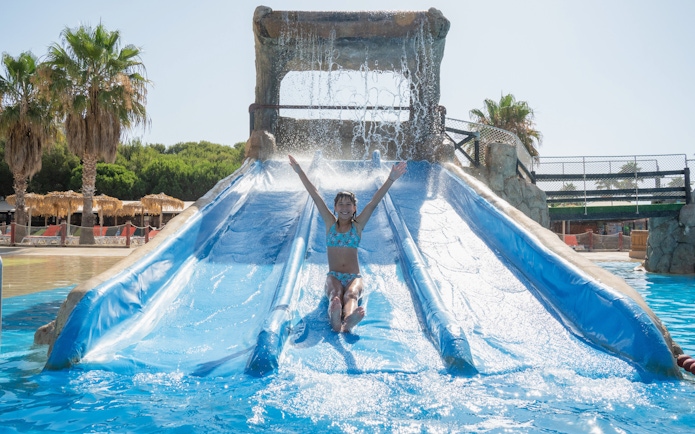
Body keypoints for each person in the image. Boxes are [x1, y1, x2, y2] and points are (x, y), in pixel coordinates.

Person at [288, 155, 407, 333]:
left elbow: (374, 202)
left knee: (351, 295)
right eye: (341, 204)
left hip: (354, 276)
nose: (344, 208)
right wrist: (299, 171)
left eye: (348, 204)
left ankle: (349, 321)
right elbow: (315, 195)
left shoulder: (357, 227)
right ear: (335, 208)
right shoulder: (330, 224)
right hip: (334, 275)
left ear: (354, 208)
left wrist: (390, 179)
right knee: (335, 296)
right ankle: (336, 320)